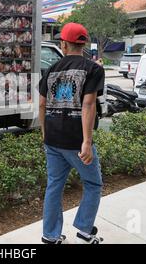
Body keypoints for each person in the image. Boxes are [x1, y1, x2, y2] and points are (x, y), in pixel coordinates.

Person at [38, 23, 105, 244]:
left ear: (64, 44)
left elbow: (41, 105)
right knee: (93, 184)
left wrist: (44, 134)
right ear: (83, 44)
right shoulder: (93, 69)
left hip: (53, 139)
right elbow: (88, 104)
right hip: (77, 141)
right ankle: (85, 230)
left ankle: (50, 235)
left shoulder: (50, 70)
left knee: (54, 185)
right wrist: (87, 141)